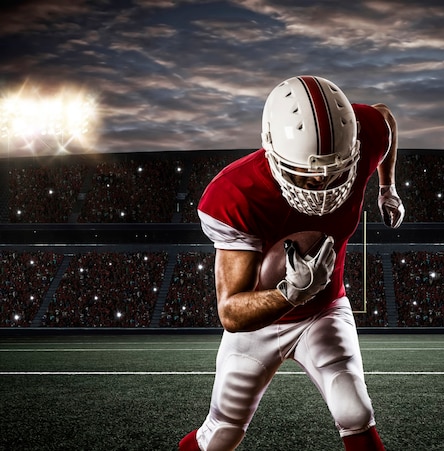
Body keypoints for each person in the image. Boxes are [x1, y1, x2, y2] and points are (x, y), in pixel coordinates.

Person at [179, 75, 405, 451]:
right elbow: (231, 312)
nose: (322, 182)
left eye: (334, 168)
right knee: (221, 433)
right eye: (310, 171)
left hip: (324, 308)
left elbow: (385, 118)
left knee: (354, 410)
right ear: (271, 149)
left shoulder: (367, 135)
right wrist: (289, 294)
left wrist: (387, 187)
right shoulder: (236, 193)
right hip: (260, 325)